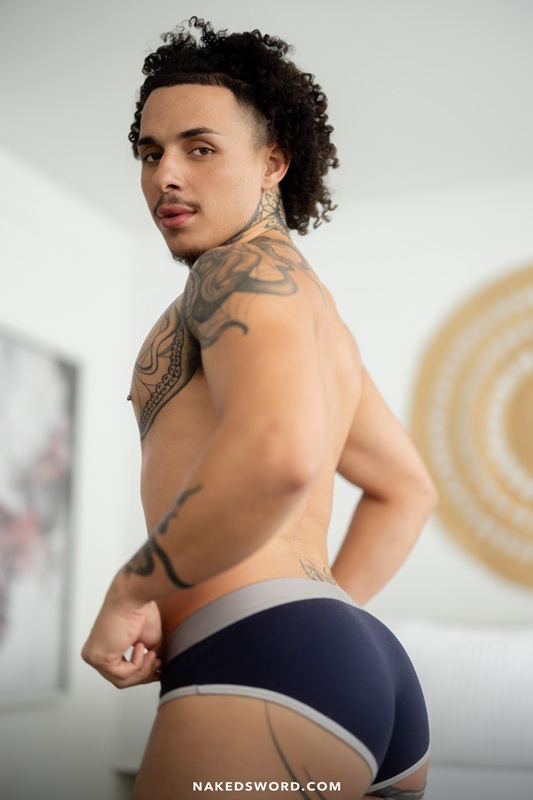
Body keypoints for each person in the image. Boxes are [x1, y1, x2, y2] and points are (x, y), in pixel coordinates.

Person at [82, 17, 437, 800]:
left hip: (266, 657)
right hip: (350, 664)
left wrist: (131, 592)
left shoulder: (233, 274)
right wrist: (319, 622)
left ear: (272, 162)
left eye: (199, 149)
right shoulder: (315, 314)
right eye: (150, 152)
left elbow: (277, 458)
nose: (165, 176)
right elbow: (406, 489)